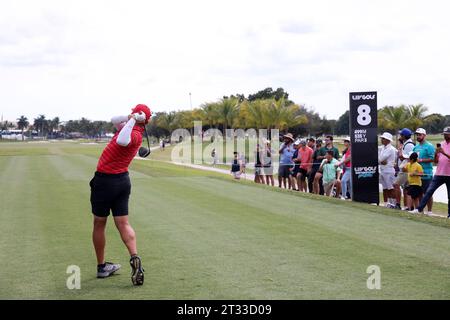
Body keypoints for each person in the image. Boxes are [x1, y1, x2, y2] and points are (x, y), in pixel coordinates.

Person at [89, 104, 150, 285]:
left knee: (99, 223)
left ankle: (102, 267)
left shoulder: (134, 134)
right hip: (122, 181)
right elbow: (114, 120)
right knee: (123, 223)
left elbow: (122, 141)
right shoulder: (131, 127)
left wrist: (132, 119)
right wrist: (133, 116)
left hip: (105, 181)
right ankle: (134, 256)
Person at [410, 127, 450, 217]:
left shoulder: (431, 146)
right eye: (444, 134)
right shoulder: (442, 144)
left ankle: (449, 214)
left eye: (447, 134)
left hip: (449, 174)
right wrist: (436, 153)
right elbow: (436, 161)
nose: (445, 136)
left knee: (449, 196)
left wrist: (444, 153)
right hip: (439, 173)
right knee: (429, 191)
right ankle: (419, 209)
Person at [412, 128, 435, 214]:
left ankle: (429, 211)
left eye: (420, 134)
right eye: (417, 135)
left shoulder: (429, 146)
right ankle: (420, 210)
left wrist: (420, 160)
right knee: (419, 193)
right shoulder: (415, 147)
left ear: (424, 135)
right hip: (417, 174)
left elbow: (432, 159)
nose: (418, 136)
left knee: (428, 193)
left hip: (426, 173)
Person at [394, 128, 415, 210]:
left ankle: (398, 204)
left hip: (406, 169)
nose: (400, 136)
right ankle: (407, 206)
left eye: (401, 135)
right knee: (406, 188)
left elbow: (403, 157)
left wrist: (399, 150)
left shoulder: (409, 145)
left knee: (396, 184)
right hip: (405, 169)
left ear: (404, 136)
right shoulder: (406, 144)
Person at [378, 132, 397, 208]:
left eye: (383, 139)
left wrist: (380, 160)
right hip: (383, 170)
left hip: (389, 171)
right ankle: (386, 203)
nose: (382, 140)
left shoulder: (390, 149)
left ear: (388, 140)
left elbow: (380, 159)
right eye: (382, 138)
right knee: (385, 188)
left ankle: (393, 203)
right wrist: (381, 161)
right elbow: (380, 159)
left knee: (390, 188)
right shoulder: (383, 148)